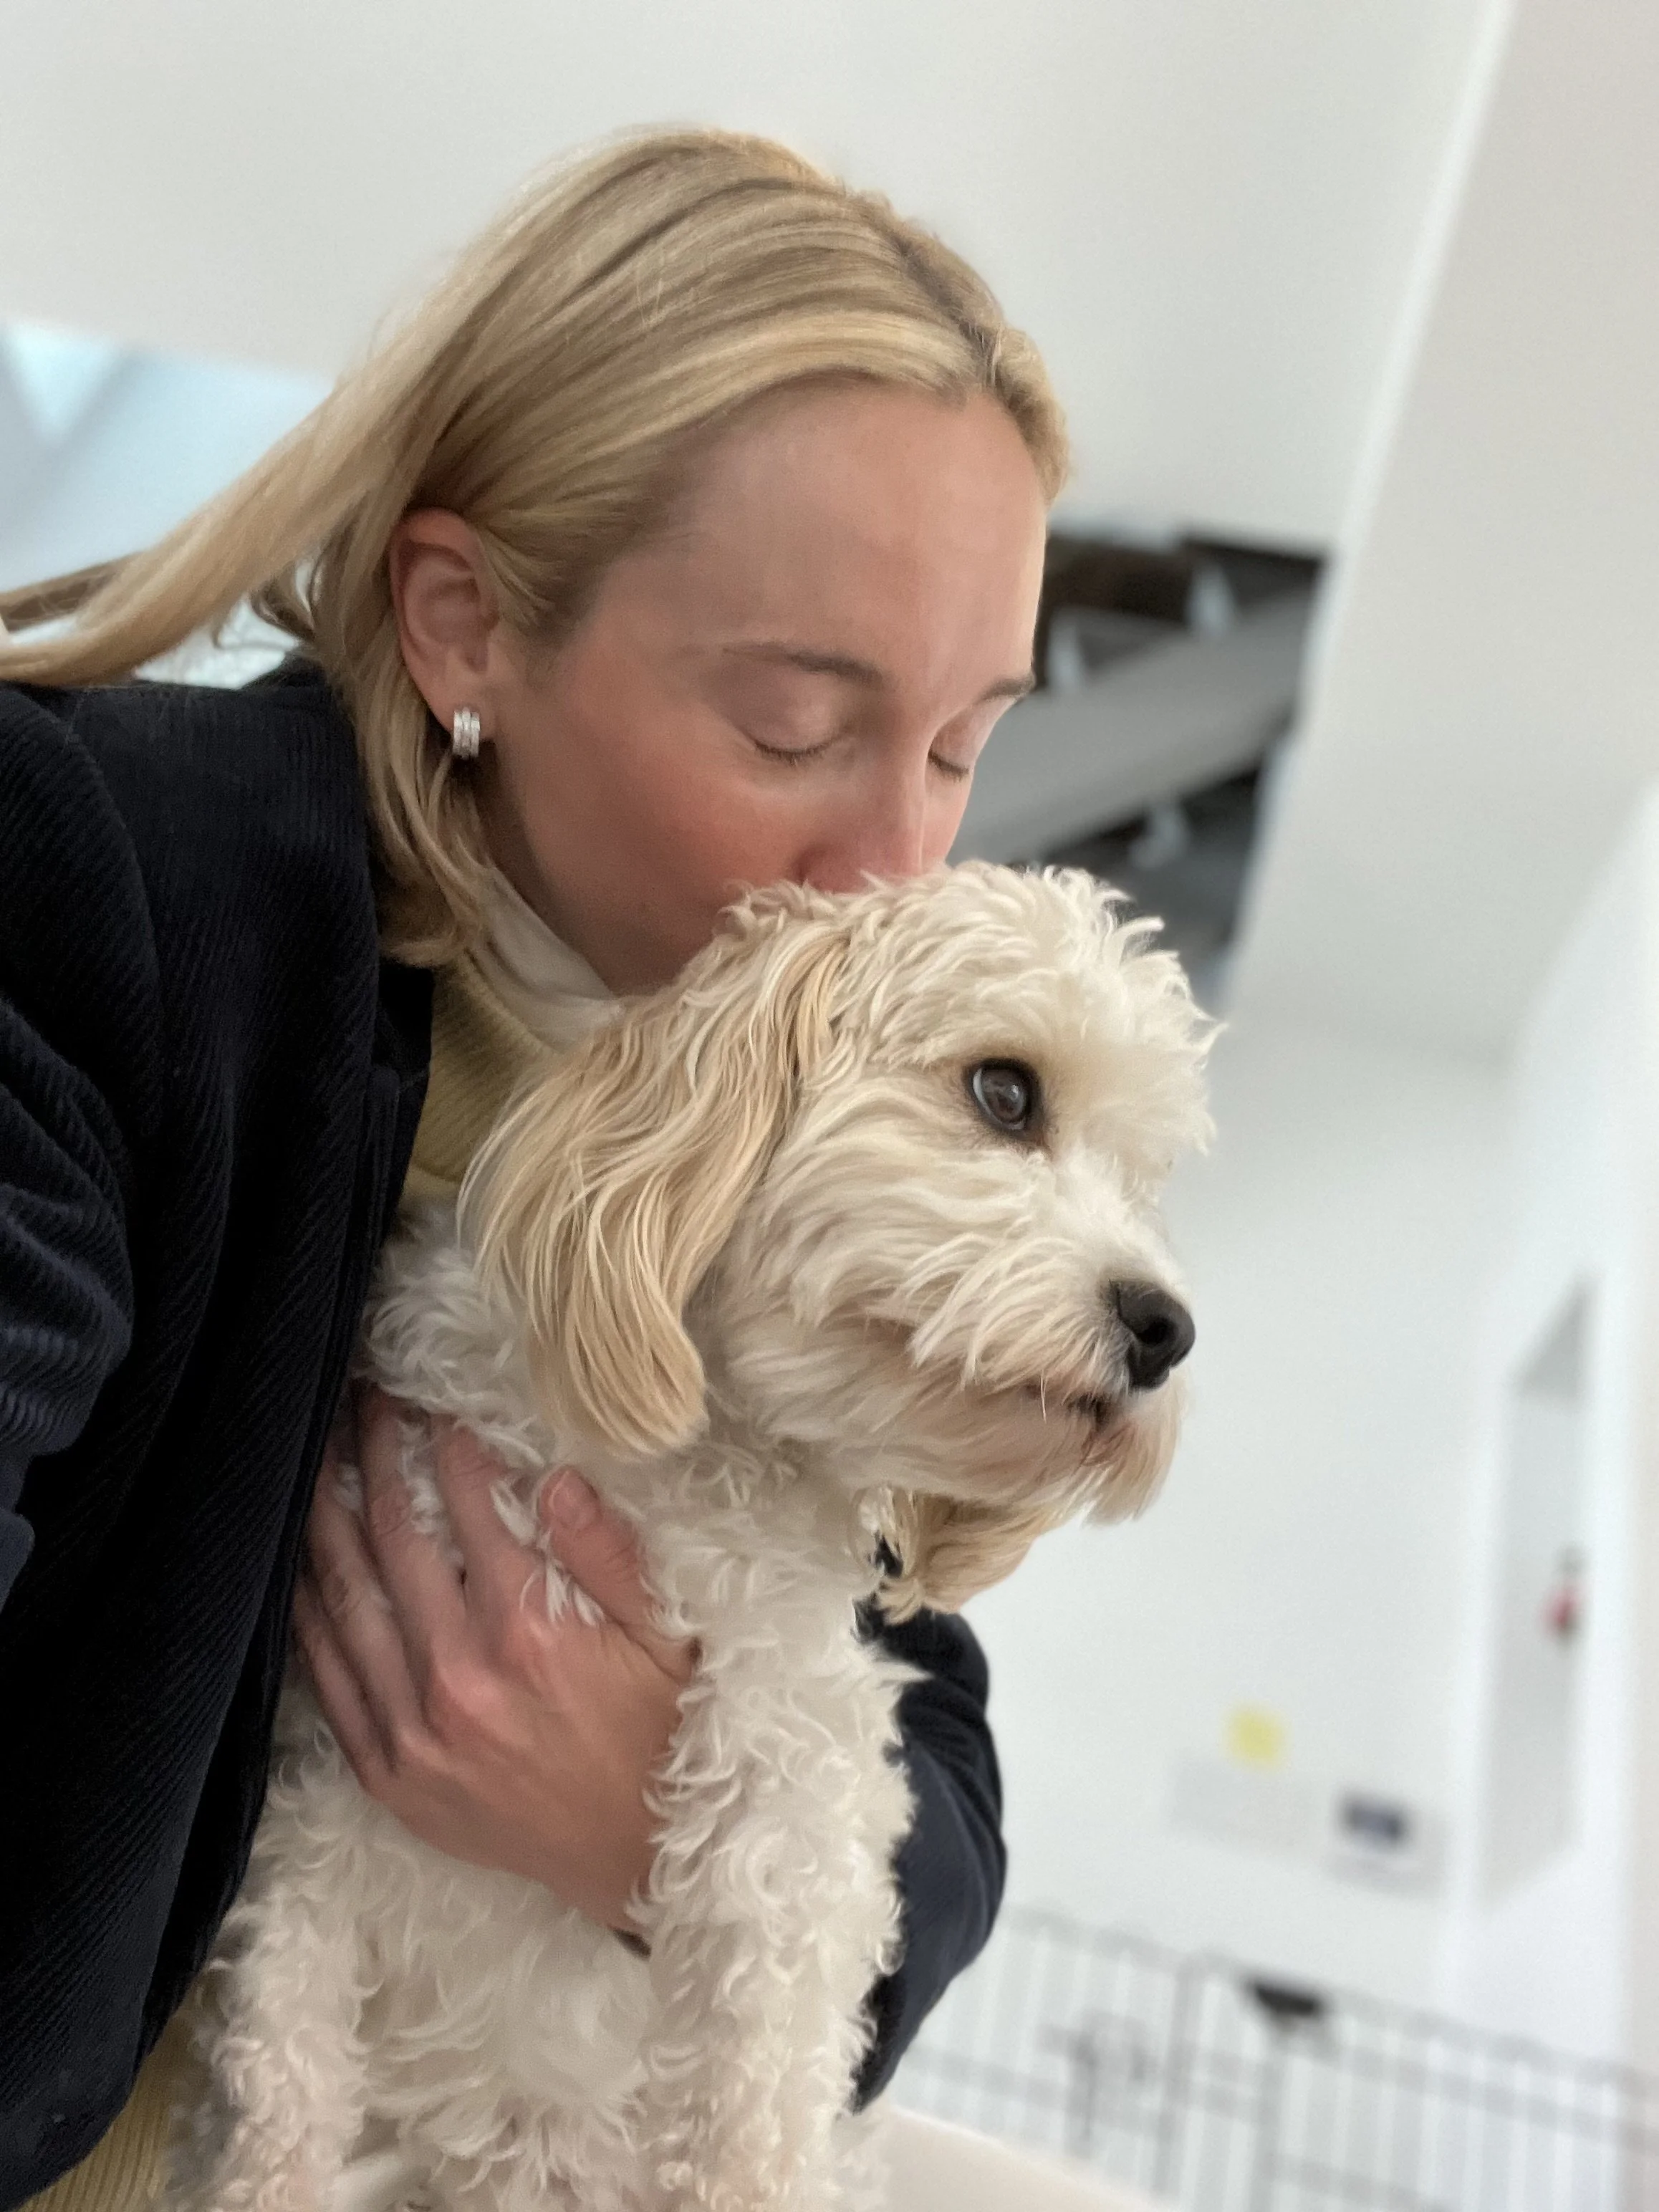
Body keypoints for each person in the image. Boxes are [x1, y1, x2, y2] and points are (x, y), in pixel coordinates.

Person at [0, 128, 1066, 2209]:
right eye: (792, 725)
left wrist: (643, 1797)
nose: (893, 868)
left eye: (960, 746)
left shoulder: (789, 1127)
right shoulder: (101, 887)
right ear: (466, 621)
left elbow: (928, 1735)